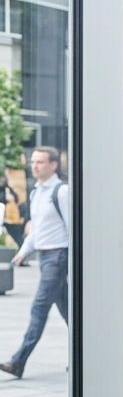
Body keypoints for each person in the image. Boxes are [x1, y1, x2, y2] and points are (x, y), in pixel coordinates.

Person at [1, 147, 68, 379]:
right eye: (33, 162)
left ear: (53, 165)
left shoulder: (61, 192)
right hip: (45, 257)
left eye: (40, 162)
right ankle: (87, 353)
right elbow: (37, 230)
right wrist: (23, 253)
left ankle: (18, 361)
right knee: (69, 311)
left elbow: (73, 227)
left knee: (39, 307)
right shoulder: (36, 193)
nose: (34, 166)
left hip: (58, 256)